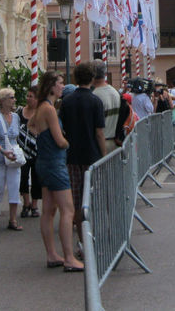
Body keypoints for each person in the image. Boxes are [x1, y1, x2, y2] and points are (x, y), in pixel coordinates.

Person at [29, 70, 82, 272]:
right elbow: (60, 141)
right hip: (55, 162)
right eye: (60, 83)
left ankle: (52, 253)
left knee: (49, 211)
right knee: (67, 210)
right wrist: (69, 143)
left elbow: (31, 126)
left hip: (43, 161)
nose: (62, 86)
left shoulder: (41, 108)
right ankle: (69, 256)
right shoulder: (49, 109)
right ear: (52, 86)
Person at [59, 62, 105, 248]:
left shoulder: (67, 101)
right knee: (93, 198)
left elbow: (62, 128)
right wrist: (103, 155)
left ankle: (81, 240)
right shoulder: (95, 101)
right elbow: (99, 132)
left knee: (76, 201)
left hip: (71, 156)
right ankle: (91, 235)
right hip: (91, 155)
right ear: (92, 78)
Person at [0, 88, 23, 230]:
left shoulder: (16, 117)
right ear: (3, 101)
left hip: (13, 157)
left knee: (14, 185)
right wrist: (3, 151)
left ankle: (13, 219)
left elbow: (16, 136)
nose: (14, 100)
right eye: (11, 98)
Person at [17, 85, 41, 218]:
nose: (28, 99)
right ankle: (26, 202)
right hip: (22, 151)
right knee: (23, 177)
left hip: (37, 150)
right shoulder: (20, 112)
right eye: (27, 96)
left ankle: (35, 204)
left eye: (31, 96)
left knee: (37, 178)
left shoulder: (40, 113)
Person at [89, 60, 120, 155]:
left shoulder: (94, 96)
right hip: (115, 143)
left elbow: (97, 129)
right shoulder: (115, 93)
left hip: (101, 144)